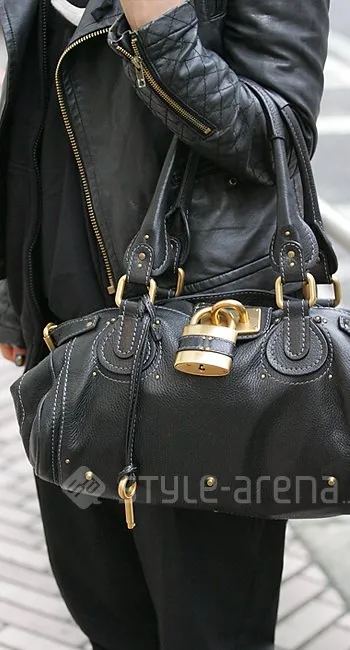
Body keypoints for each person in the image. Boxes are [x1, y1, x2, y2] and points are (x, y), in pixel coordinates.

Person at [0, 1, 330, 648]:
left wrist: (158, 26)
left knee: (209, 627)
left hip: (203, 356)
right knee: (106, 614)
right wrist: (14, 294)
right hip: (60, 341)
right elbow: (33, 109)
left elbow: (277, 139)